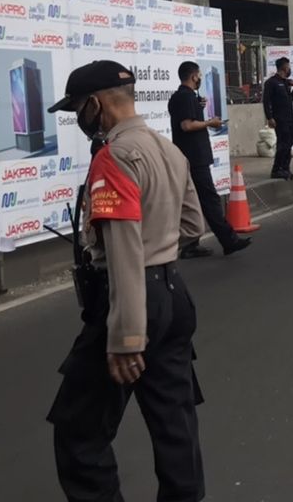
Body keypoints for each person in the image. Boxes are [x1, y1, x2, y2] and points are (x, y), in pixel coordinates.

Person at [45, 60, 206, 502]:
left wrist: (127, 337)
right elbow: (192, 226)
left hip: (132, 302)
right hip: (174, 297)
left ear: (95, 104)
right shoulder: (167, 148)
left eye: (78, 108)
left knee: (79, 431)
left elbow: (123, 253)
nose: (78, 118)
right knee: (175, 424)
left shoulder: (113, 156)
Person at [168, 61, 252, 258]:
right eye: (198, 76)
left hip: (191, 157)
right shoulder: (185, 97)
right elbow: (187, 126)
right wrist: (210, 122)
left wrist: (199, 108)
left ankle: (190, 244)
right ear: (193, 76)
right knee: (210, 200)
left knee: (192, 202)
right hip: (194, 158)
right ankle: (229, 241)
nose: (199, 79)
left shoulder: (184, 98)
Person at [262, 57, 293, 179]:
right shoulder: (271, 82)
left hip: (289, 118)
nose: (289, 69)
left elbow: (290, 100)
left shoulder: (286, 82)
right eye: (288, 66)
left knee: (290, 142)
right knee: (282, 143)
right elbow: (266, 101)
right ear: (283, 67)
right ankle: (276, 169)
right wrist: (269, 117)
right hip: (279, 118)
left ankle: (285, 168)